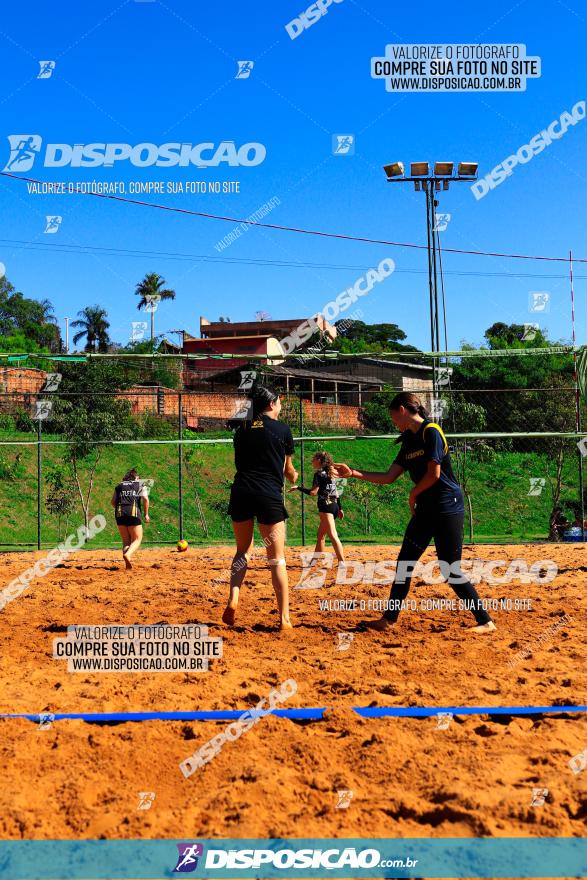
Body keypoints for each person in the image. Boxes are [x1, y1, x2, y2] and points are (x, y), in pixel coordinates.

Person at [335, 391, 496, 634]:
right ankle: (389, 620)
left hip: (447, 507)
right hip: (426, 509)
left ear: (402, 410)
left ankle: (485, 622)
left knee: (449, 568)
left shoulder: (431, 431)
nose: (393, 422)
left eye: (393, 417)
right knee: (404, 564)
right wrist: (354, 472)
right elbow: (389, 477)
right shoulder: (408, 439)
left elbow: (435, 474)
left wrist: (412, 495)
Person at [223, 385, 298, 630]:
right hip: (268, 495)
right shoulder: (283, 430)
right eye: (280, 401)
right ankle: (284, 619)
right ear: (272, 403)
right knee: (276, 559)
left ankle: (234, 597)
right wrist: (294, 476)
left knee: (242, 551)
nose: (281, 405)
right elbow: (288, 471)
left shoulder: (242, 429)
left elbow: (240, 462)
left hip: (242, 491)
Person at [290, 451, 345, 564]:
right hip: (334, 506)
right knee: (321, 536)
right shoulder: (331, 473)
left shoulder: (319, 474)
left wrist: (298, 488)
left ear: (319, 460)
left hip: (326, 507)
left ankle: (342, 562)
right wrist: (340, 508)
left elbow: (313, 493)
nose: (312, 461)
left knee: (333, 536)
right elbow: (337, 493)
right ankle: (313, 562)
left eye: (314, 458)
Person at [111, 468, 150, 569]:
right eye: (138, 477)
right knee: (137, 539)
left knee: (126, 541)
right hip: (133, 513)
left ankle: (127, 565)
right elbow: (145, 499)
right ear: (135, 477)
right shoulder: (140, 484)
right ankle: (128, 555)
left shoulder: (119, 485)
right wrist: (146, 514)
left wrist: (121, 509)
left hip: (119, 514)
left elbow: (113, 502)